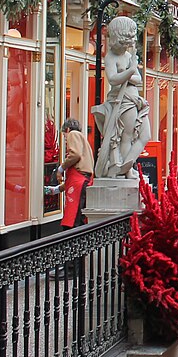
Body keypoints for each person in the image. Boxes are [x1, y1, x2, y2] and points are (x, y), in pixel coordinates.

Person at [92, 16, 152, 179]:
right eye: (129, 37)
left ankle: (126, 164)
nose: (131, 41)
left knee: (145, 135)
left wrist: (130, 72)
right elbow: (112, 79)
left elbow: (138, 79)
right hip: (122, 99)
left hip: (135, 99)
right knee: (127, 136)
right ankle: (126, 169)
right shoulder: (111, 57)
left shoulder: (128, 55)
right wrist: (130, 71)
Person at [45, 118, 93, 228]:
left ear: (67, 129)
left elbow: (75, 155)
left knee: (73, 218)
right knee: (79, 216)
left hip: (78, 182)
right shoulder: (83, 140)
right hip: (82, 181)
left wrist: (61, 168)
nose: (65, 139)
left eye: (64, 136)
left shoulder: (73, 134)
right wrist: (57, 189)